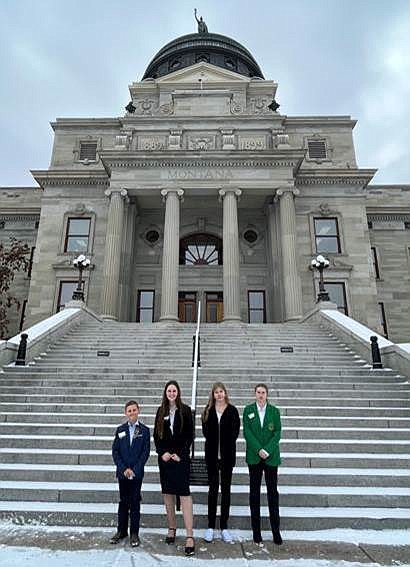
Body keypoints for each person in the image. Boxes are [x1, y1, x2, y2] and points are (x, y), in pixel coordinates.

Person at [154, 380, 195, 556]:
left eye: (174, 390)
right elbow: (156, 434)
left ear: (178, 393)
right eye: (169, 390)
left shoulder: (185, 410)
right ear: (166, 393)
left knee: (184, 494)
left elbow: (190, 435)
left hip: (181, 459)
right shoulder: (160, 410)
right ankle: (172, 528)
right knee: (168, 494)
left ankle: (190, 536)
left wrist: (180, 453)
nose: (171, 393)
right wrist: (162, 452)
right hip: (165, 459)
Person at [243, 383, 282, 546]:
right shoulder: (248, 410)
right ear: (255, 394)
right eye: (258, 392)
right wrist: (259, 449)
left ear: (267, 394)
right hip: (254, 457)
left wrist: (267, 450)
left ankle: (275, 531)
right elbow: (247, 432)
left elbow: (277, 432)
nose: (260, 395)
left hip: (271, 457)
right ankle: (256, 531)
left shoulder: (274, 411)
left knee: (273, 493)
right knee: (254, 494)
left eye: (263, 392)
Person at [202, 382, 240, 543]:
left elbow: (236, 432)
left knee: (225, 491)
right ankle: (210, 526)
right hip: (211, 457)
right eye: (216, 392)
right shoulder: (207, 410)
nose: (219, 394)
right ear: (213, 394)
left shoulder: (232, 410)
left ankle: (224, 527)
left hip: (227, 457)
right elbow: (205, 432)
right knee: (212, 490)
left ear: (225, 393)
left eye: (221, 391)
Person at [110, 399, 150, 547]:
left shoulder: (144, 431)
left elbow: (145, 453)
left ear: (138, 411)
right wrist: (124, 469)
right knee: (123, 502)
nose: (132, 413)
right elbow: (115, 451)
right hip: (123, 473)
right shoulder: (120, 430)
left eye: (134, 410)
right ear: (125, 413)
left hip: (136, 473)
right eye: (129, 410)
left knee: (134, 502)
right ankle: (121, 531)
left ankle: (134, 533)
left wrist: (134, 470)